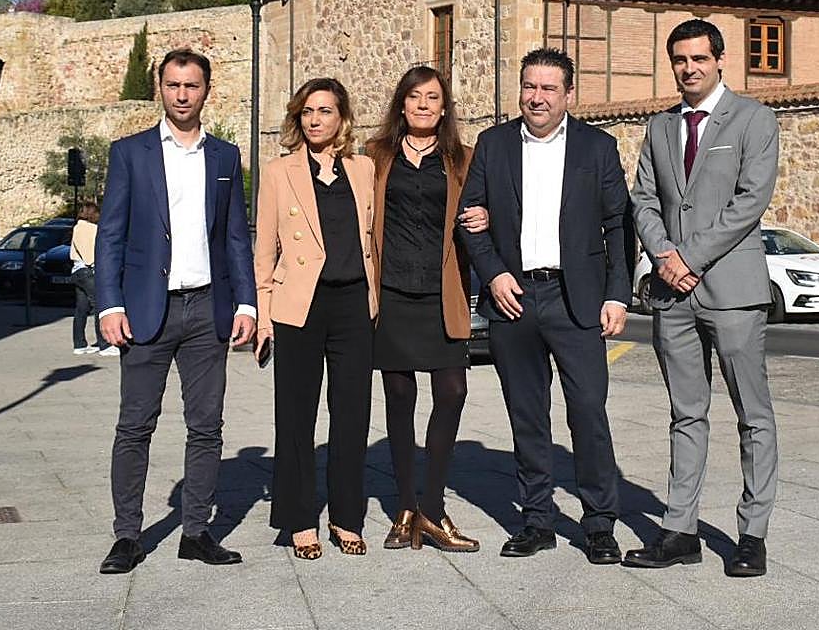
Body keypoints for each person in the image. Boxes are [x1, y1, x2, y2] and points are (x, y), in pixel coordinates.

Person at [459, 47, 631, 565]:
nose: (536, 97)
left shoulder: (597, 148)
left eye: (548, 88)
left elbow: (618, 225)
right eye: (529, 86)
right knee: (527, 416)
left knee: (588, 412)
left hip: (576, 300)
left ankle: (599, 523)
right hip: (513, 298)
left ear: (568, 95)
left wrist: (617, 294)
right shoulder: (493, 145)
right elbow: (469, 216)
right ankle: (536, 520)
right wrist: (494, 274)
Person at [625, 19, 780, 578]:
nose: (688, 69)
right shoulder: (660, 126)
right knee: (685, 414)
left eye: (697, 58)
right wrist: (665, 255)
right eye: (679, 60)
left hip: (733, 291)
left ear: (719, 60)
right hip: (672, 294)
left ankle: (752, 534)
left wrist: (689, 257)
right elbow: (642, 197)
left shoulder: (755, 119)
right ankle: (679, 529)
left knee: (752, 416)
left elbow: (750, 201)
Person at [95, 48, 256, 574]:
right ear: (159, 89)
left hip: (208, 307)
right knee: (134, 426)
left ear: (207, 90)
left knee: (206, 426)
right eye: (172, 85)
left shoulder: (226, 158)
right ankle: (127, 536)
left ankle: (196, 532)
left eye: (191, 86)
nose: (182, 95)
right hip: (146, 310)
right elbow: (110, 237)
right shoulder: (130, 154)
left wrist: (247, 303)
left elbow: (236, 237)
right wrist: (109, 305)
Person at [366, 65, 488, 553]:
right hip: (392, 292)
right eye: (414, 97)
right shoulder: (376, 157)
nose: (422, 105)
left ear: (444, 107)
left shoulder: (464, 159)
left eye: (432, 98)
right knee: (398, 399)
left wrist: (488, 214)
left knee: (452, 391)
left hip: (444, 292)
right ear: (402, 104)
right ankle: (404, 508)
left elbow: (486, 207)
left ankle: (432, 508)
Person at [254, 77, 376, 560]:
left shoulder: (363, 169)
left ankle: (347, 517)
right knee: (296, 417)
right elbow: (265, 253)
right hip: (298, 306)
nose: (315, 119)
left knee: (352, 417)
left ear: (342, 118)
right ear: (297, 118)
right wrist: (264, 320)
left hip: (352, 305)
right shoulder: (278, 172)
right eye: (307, 112)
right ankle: (300, 519)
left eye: (325, 111)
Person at [69, 201, 116, 357]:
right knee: (99, 305)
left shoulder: (78, 227)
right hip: (88, 271)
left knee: (81, 309)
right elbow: (91, 255)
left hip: (77, 270)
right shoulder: (90, 229)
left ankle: (79, 344)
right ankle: (104, 344)